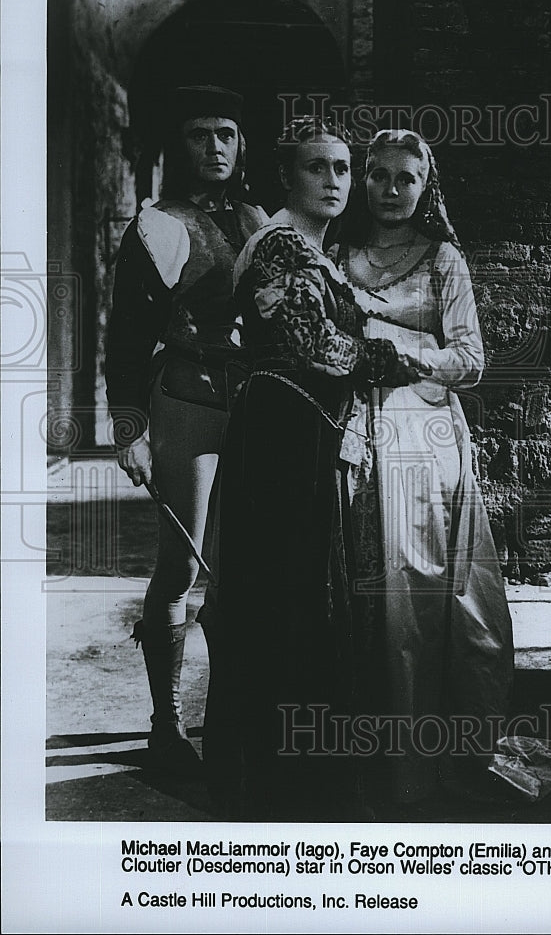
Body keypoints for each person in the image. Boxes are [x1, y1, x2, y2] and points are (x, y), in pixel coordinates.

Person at [200, 117, 422, 818]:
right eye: (316, 167)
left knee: (302, 593)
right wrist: (393, 358)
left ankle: (292, 766)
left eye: (342, 169)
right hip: (279, 434)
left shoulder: (312, 251)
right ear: (286, 178)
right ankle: (270, 778)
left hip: (304, 430)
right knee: (281, 596)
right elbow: (313, 346)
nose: (333, 180)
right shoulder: (281, 244)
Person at [333, 129, 515, 805]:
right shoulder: (335, 253)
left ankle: (422, 758)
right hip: (349, 433)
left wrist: (407, 354)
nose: (390, 190)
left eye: (405, 178)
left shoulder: (442, 259)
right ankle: (358, 755)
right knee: (357, 585)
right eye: (378, 175)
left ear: (424, 186)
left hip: (423, 437)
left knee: (417, 592)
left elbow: (470, 360)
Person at [105, 84, 268, 772]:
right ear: (180, 144)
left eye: (226, 133)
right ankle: (166, 726)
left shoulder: (264, 222)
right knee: (181, 567)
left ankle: (232, 722)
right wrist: (130, 430)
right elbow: (125, 337)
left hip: (259, 405)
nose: (215, 146)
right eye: (200, 133)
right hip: (186, 397)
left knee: (246, 572)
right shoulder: (154, 226)